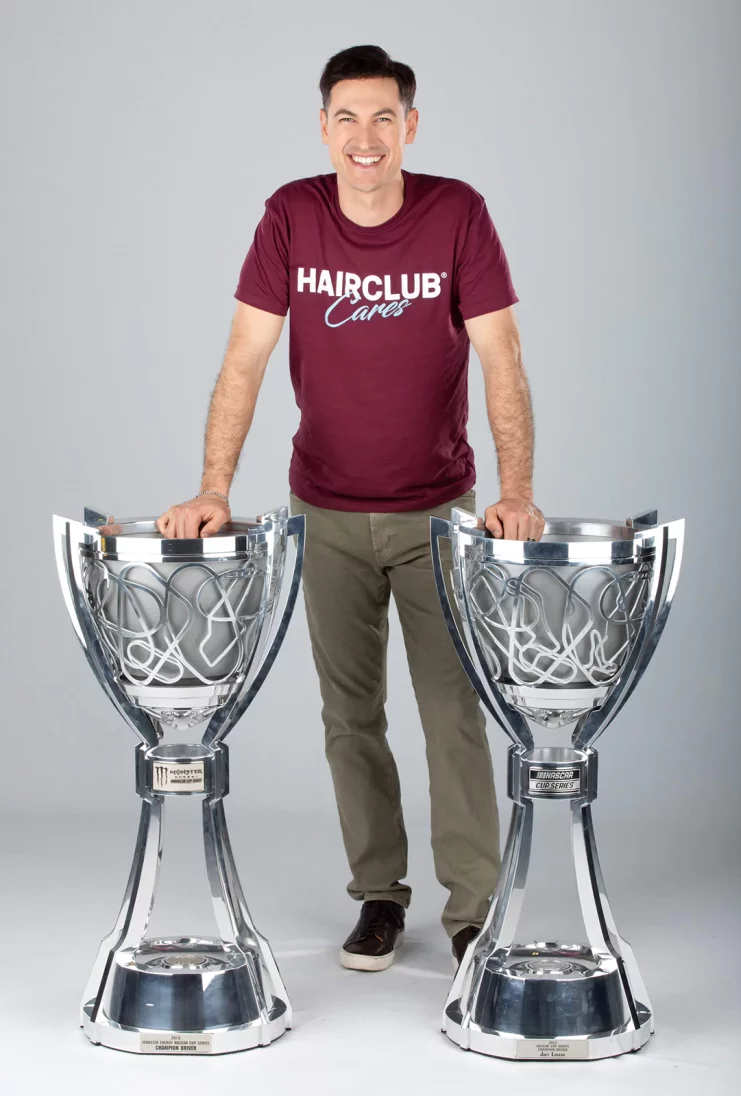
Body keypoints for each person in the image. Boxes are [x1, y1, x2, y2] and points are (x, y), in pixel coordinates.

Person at [157, 44, 545, 972]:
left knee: (452, 708)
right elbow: (244, 359)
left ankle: (472, 911)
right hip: (321, 509)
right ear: (323, 126)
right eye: (346, 118)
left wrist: (517, 492)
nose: (364, 138)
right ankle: (379, 894)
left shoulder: (457, 214)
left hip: (437, 513)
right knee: (349, 714)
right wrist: (215, 486)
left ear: (409, 126)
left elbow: (503, 361)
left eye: (382, 118)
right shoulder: (292, 215)